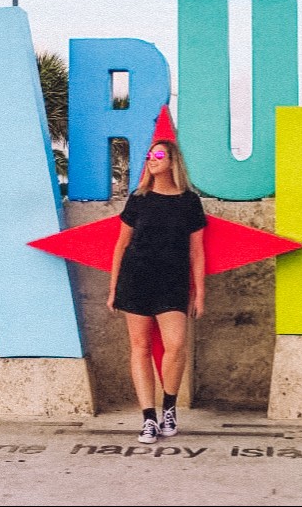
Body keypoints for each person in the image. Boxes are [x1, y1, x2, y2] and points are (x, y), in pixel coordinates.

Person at [107, 139, 207, 444]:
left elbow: (197, 252)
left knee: (176, 346)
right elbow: (121, 245)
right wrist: (113, 290)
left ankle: (169, 409)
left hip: (173, 282)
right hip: (136, 279)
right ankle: (148, 419)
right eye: (149, 155)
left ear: (172, 161)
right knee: (140, 348)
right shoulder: (138, 199)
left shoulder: (189, 201)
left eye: (159, 155)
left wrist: (199, 293)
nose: (152, 159)